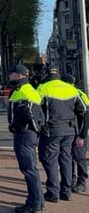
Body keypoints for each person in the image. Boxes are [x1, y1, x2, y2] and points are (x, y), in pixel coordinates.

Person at [36, 66, 86, 203]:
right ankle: (66, 191)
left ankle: (53, 193)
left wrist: (40, 127)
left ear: (45, 75)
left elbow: (35, 110)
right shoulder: (71, 89)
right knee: (66, 160)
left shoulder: (43, 88)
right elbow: (83, 109)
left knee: (50, 161)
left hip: (51, 131)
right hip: (70, 131)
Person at [7, 64, 45, 213]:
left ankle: (34, 204)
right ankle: (38, 201)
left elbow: (27, 113)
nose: (9, 76)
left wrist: (21, 127)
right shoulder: (29, 89)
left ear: (18, 75)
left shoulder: (23, 90)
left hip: (24, 135)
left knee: (28, 169)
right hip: (28, 134)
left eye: (11, 74)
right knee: (31, 168)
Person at [61, 74, 89, 194]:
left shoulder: (77, 94)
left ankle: (82, 182)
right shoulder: (74, 93)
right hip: (71, 131)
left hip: (78, 131)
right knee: (69, 158)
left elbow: (86, 116)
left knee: (79, 158)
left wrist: (82, 136)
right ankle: (71, 180)